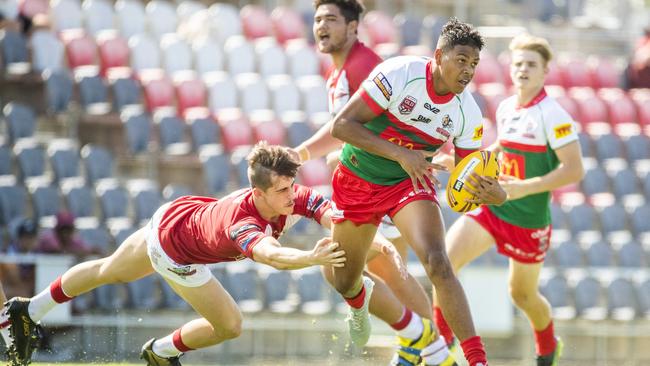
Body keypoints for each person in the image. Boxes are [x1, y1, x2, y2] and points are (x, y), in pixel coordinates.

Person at [3, 142, 349, 366]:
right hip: (174, 252)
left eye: (292, 185)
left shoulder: (284, 192)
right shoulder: (242, 221)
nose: (293, 195)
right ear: (257, 193)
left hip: (176, 215)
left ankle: (26, 309)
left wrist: (358, 226)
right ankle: (162, 352)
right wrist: (311, 258)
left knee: (109, 270)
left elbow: (328, 211)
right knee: (230, 326)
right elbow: (272, 256)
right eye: (283, 190)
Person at [324, 17, 508, 366]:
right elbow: (342, 126)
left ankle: (476, 360)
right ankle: (363, 305)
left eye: (474, 64)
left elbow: (465, 178)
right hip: (358, 179)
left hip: (409, 183)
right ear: (439, 55)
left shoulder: (468, 111)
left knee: (438, 262)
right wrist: (402, 154)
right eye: (461, 60)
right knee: (344, 281)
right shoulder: (400, 73)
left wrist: (494, 193)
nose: (468, 71)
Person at [293, 1, 456, 365]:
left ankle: (429, 345)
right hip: (373, 181)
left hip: (379, 183)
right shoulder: (339, 72)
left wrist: (300, 154)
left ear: (353, 27)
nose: (322, 26)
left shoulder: (364, 65)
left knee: (345, 264)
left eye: (331, 20)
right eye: (318, 19)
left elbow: (364, 126)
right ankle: (425, 347)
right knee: (386, 268)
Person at [432, 34, 584, 366]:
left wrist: (520, 188)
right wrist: (461, 163)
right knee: (443, 262)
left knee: (522, 295)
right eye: (518, 64)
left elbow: (574, 170)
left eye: (531, 64)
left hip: (527, 219)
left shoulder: (553, 115)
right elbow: (500, 147)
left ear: (545, 70)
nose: (523, 69)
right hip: (492, 207)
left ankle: (547, 347)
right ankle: (440, 351)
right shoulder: (506, 107)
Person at [37, 211, 104, 257]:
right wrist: (83, 253)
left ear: (73, 229)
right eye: (62, 229)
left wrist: (91, 252)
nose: (65, 233)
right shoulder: (48, 238)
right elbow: (56, 252)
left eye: (68, 229)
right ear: (56, 229)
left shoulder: (75, 241)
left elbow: (85, 251)